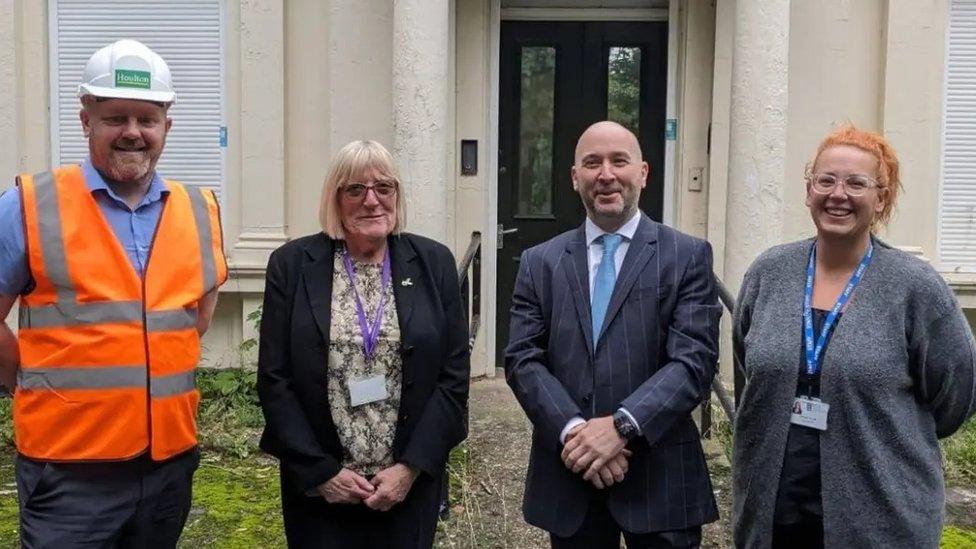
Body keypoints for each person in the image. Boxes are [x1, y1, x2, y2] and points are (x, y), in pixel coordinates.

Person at [0, 39, 227, 547]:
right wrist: (27, 380)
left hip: (167, 467)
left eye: (147, 119)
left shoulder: (199, 209)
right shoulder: (28, 206)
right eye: (114, 117)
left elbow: (195, 317)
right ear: (86, 121)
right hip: (69, 472)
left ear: (167, 125)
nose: (132, 132)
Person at [732, 125, 976, 548]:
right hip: (774, 517)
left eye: (856, 183)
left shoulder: (915, 289)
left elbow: (957, 397)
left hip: (882, 519)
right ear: (809, 190)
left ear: (881, 199)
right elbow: (750, 375)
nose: (838, 194)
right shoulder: (768, 274)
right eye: (825, 180)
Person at [505, 121, 721, 548]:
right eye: (592, 163)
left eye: (618, 161)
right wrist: (575, 434)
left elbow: (693, 362)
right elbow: (522, 359)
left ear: (642, 172)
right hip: (572, 477)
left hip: (660, 480)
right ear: (574, 178)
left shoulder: (687, 256)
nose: (605, 174)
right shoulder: (539, 263)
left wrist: (621, 428)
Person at [257, 139, 470, 548]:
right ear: (335, 198)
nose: (372, 201)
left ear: (396, 196)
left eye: (383, 188)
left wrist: (410, 469)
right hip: (322, 490)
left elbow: (453, 377)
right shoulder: (292, 265)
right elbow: (274, 379)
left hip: (406, 486)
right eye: (355, 189)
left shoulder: (433, 262)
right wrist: (320, 473)